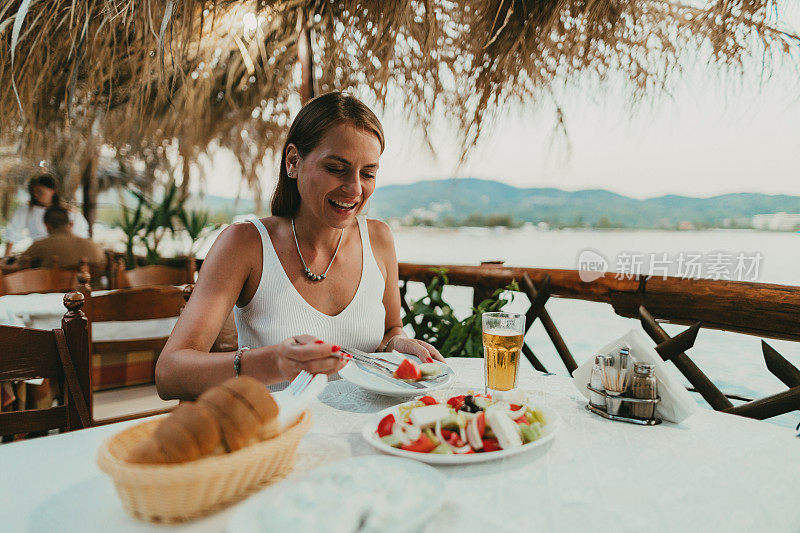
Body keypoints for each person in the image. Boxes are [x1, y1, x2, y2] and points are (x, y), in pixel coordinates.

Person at [156, 92, 444, 400]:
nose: (355, 188)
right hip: (274, 435)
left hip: (367, 433)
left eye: (368, 173)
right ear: (293, 161)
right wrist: (273, 362)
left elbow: (390, 331)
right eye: (336, 168)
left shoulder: (380, 239)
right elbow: (170, 374)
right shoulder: (245, 243)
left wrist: (397, 343)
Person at [3, 173, 90, 257]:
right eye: (34, 192)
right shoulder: (27, 210)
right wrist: (7, 255)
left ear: (53, 191)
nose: (36, 195)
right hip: (39, 253)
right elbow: (13, 231)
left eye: (40, 192)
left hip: (65, 253)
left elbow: (81, 236)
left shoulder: (70, 212)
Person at [20, 204, 106, 269]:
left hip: (58, 292)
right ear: (71, 224)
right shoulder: (94, 246)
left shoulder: (40, 245)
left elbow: (19, 264)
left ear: (47, 226)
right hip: (95, 292)